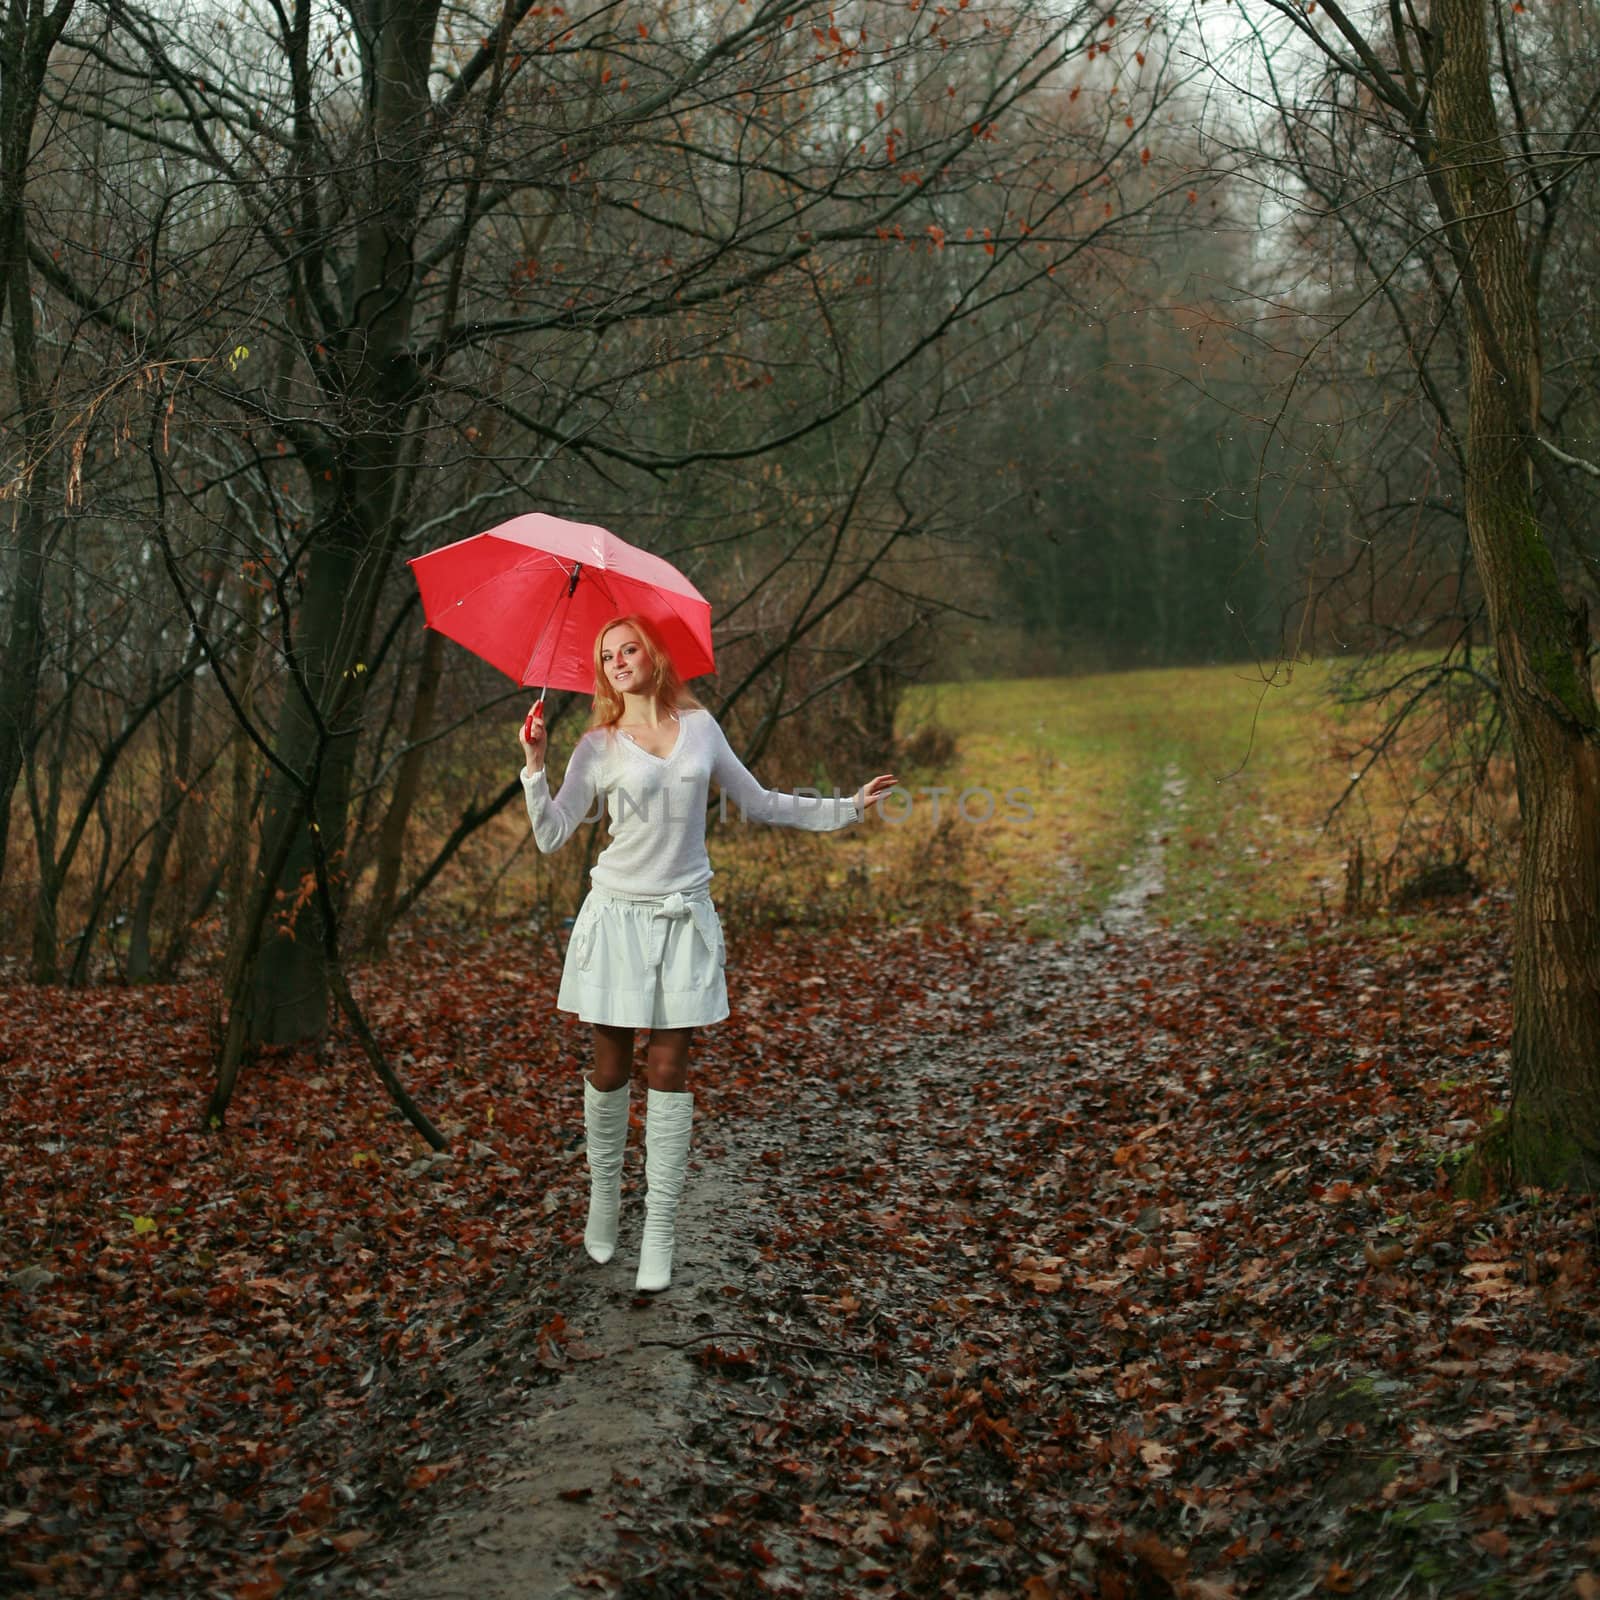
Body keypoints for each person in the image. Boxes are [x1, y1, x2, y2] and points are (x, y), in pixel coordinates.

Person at [518, 613, 897, 1292]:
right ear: (602, 672)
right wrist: (535, 765)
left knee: (669, 1068)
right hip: (619, 919)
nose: (620, 660)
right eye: (608, 655)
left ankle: (659, 1227)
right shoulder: (596, 746)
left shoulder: (701, 730)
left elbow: (759, 802)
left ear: (653, 654)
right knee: (611, 1070)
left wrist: (848, 807)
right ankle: (605, 1194)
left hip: (683, 917)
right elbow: (551, 836)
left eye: (629, 647)